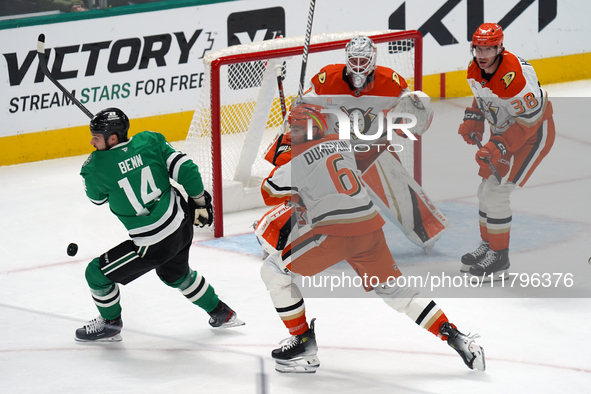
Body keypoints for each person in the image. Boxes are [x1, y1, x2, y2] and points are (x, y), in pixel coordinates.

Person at [259, 103, 485, 373]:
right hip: (370, 229)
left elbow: (268, 191)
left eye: (296, 129)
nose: (292, 133)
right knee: (396, 292)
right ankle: (456, 337)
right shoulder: (343, 144)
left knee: (273, 270)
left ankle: (303, 344)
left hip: (334, 234)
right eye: (291, 129)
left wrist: (286, 151)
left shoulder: (298, 157)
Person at [258, 35, 449, 256]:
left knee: (412, 211)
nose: (358, 66)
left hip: (374, 152)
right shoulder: (326, 78)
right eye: (354, 60)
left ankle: (426, 230)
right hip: (334, 153)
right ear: (347, 59)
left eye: (363, 60)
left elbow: (409, 115)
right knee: (310, 194)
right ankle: (272, 233)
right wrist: (304, 120)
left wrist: (415, 112)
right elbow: (303, 112)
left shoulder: (392, 82)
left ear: (373, 60)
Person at [75, 107, 244, 342]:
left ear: (112, 138)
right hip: (182, 223)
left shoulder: (94, 168)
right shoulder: (150, 140)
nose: (92, 142)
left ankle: (110, 324)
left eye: (96, 137)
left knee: (96, 273)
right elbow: (186, 169)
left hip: (153, 243)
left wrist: (100, 165)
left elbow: (97, 199)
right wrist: (199, 200)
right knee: (175, 275)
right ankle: (221, 312)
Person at [458, 23, 555, 280]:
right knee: (484, 191)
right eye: (478, 48)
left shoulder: (513, 77)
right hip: (505, 131)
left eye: (488, 49)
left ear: (500, 47)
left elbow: (529, 122)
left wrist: (497, 145)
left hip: (533, 135)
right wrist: (475, 119)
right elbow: (482, 96)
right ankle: (489, 246)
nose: (482, 55)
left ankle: (500, 259)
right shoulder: (475, 67)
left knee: (497, 192)